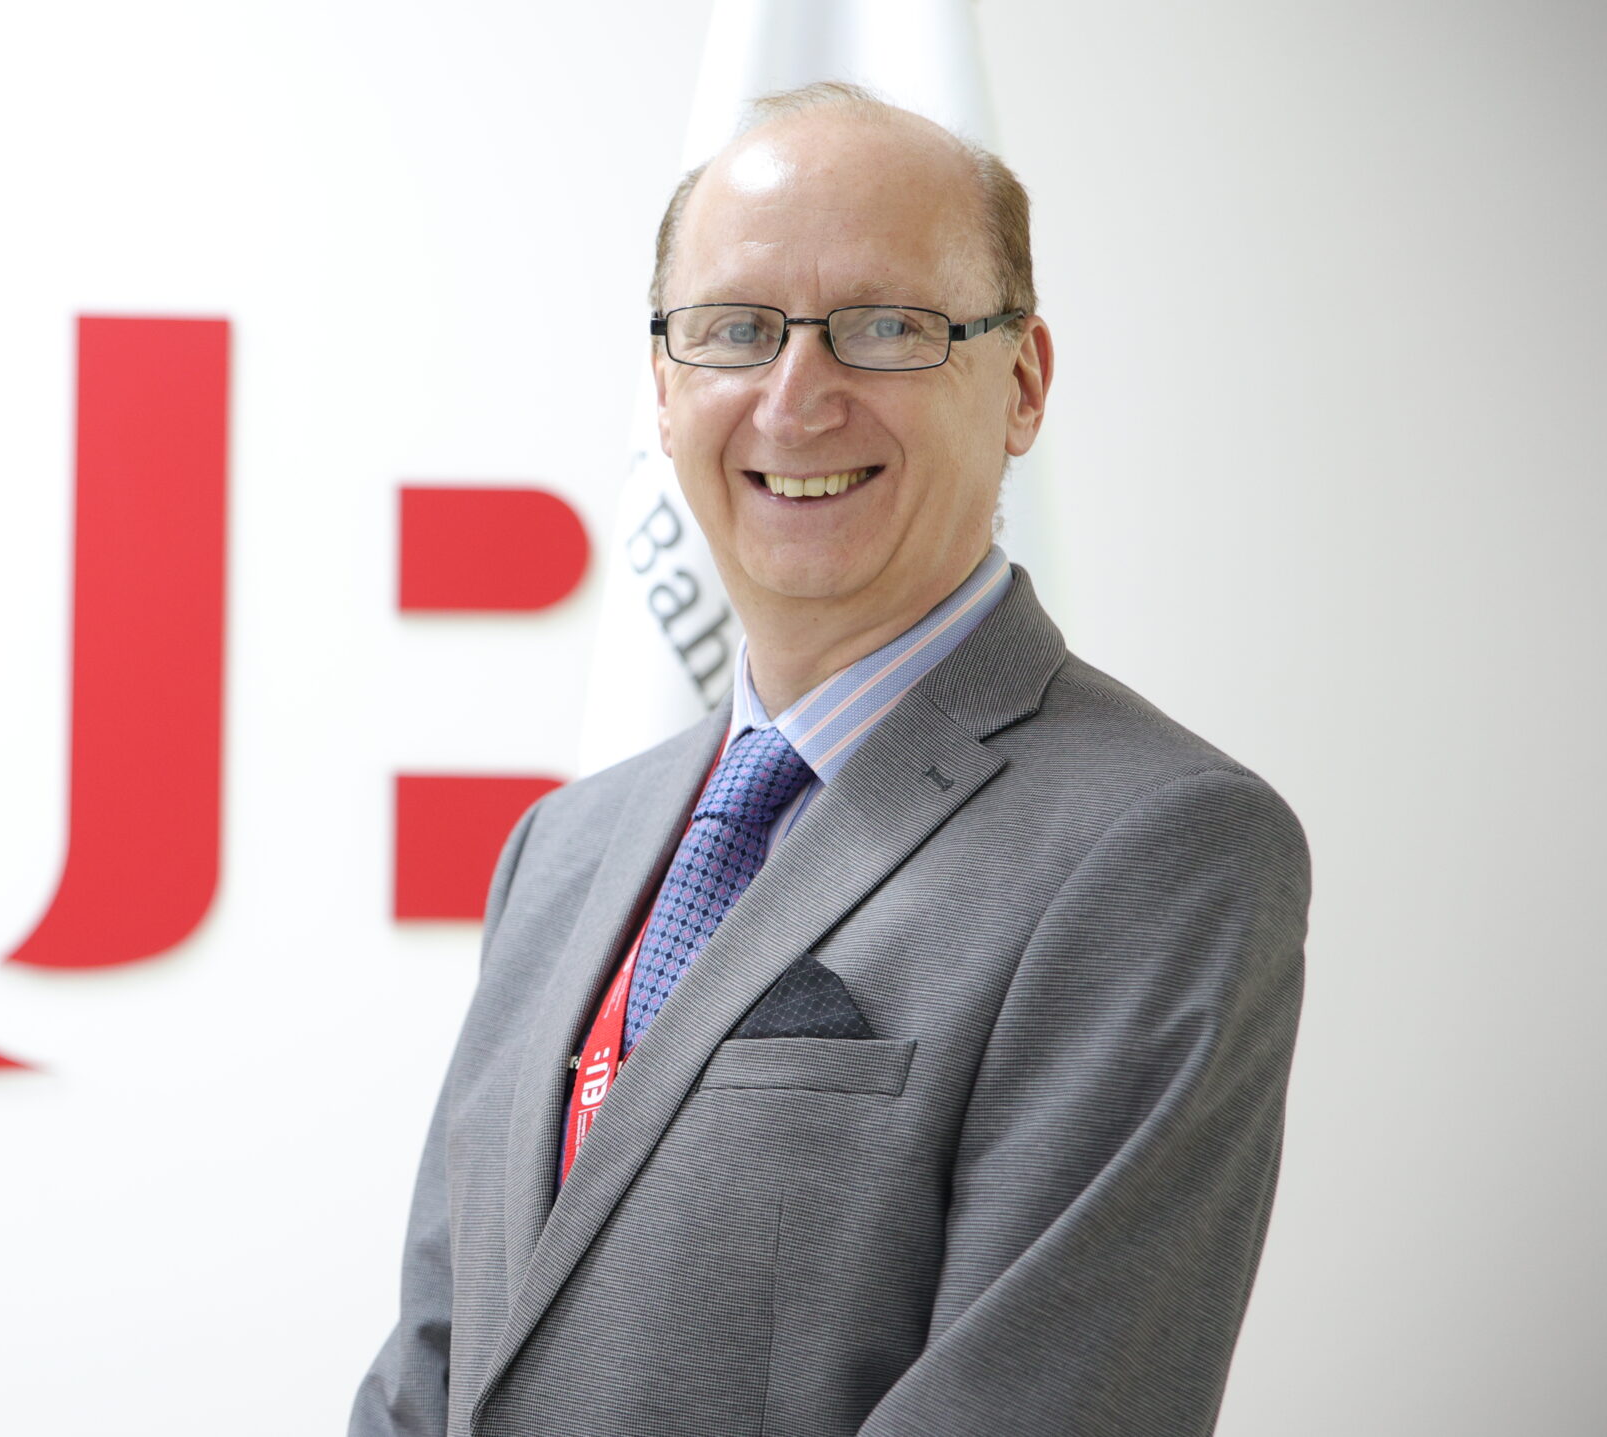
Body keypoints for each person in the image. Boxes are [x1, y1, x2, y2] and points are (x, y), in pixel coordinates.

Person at [349, 83, 1309, 1437]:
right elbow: (435, 1366)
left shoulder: (1157, 845)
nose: (797, 399)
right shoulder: (561, 850)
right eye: (736, 330)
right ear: (665, 386)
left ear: (1023, 383)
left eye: (886, 327)